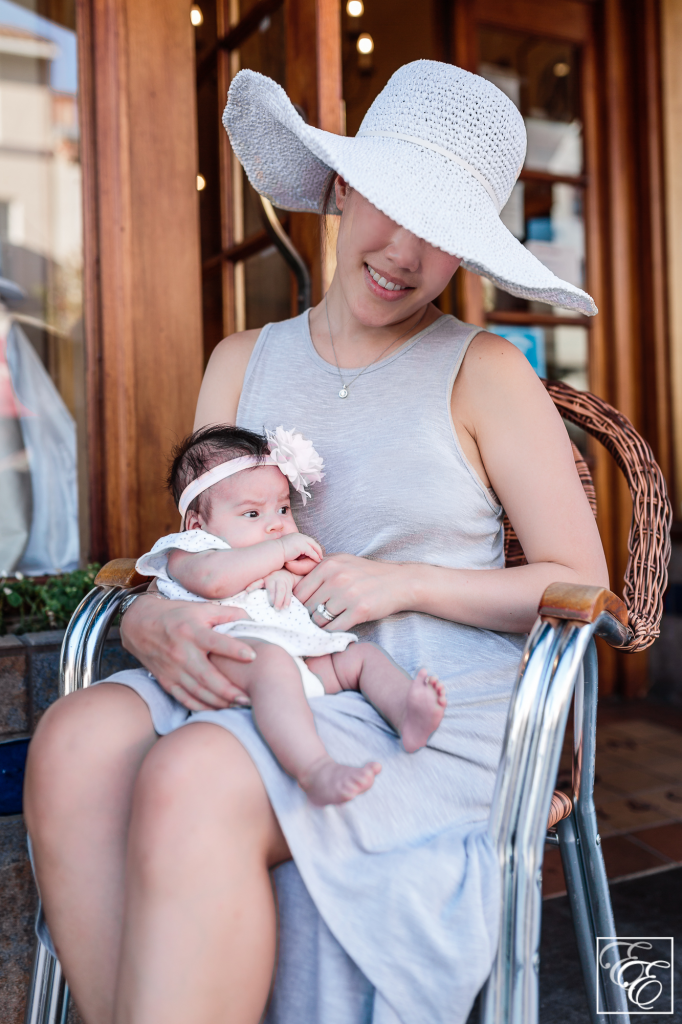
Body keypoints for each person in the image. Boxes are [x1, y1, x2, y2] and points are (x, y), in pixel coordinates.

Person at [24, 60, 607, 1024]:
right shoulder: (242, 360)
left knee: (192, 773)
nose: (403, 252)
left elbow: (581, 584)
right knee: (73, 739)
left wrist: (402, 583)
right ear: (342, 186)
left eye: (443, 234)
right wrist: (151, 623)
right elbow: (194, 545)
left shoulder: (486, 371)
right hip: (259, 657)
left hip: (416, 699)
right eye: (388, 206)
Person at [136, 422, 446, 805]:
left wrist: (288, 569)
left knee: (359, 657)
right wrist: (280, 553)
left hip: (298, 662)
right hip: (229, 658)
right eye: (252, 514)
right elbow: (214, 581)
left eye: (283, 508)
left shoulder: (270, 558)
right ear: (197, 523)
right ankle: (314, 769)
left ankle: (406, 712)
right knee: (272, 664)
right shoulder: (191, 550)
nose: (275, 524)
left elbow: (305, 579)